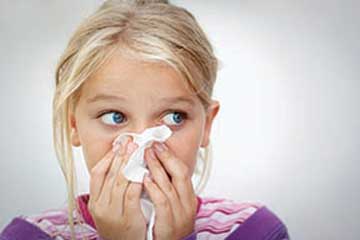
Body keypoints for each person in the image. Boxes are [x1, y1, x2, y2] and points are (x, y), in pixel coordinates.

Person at [0, 0, 290, 239]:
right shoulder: (29, 236)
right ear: (74, 125)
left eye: (174, 117)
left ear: (207, 125)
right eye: (115, 117)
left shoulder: (255, 230)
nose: (144, 147)